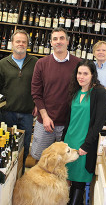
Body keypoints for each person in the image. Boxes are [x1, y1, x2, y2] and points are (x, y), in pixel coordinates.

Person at [0, 29, 38, 170]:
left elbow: (40, 86)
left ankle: (20, 176)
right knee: (5, 147)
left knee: (23, 150)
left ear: (27, 44)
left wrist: (37, 104)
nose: (21, 44)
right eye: (18, 41)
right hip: (7, 113)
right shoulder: (3, 63)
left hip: (27, 114)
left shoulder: (35, 62)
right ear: (12, 43)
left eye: (24, 42)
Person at [62, 59, 106, 205]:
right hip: (70, 141)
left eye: (85, 74)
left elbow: (99, 123)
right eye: (79, 73)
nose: (81, 77)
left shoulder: (99, 92)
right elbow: (69, 119)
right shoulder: (75, 91)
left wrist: (87, 145)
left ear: (93, 75)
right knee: (67, 177)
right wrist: (63, 142)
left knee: (79, 181)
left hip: (84, 142)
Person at [30, 27, 81, 160]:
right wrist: (45, 116)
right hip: (45, 122)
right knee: (40, 158)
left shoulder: (79, 64)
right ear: (51, 43)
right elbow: (36, 92)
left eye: (62, 38)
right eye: (55, 39)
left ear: (68, 42)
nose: (58, 41)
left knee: (67, 161)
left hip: (69, 124)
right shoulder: (41, 63)